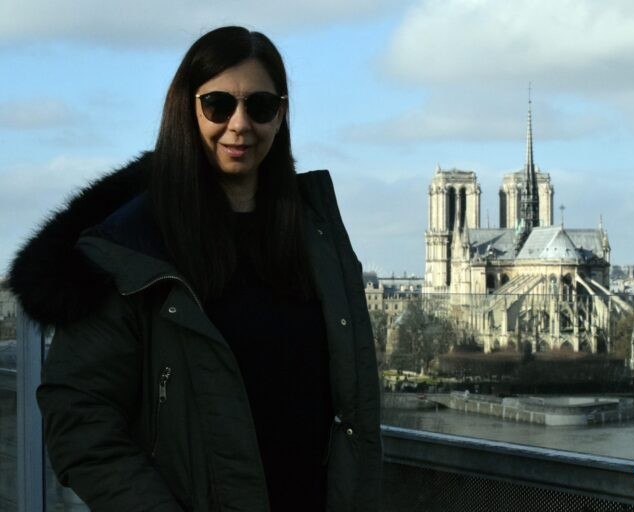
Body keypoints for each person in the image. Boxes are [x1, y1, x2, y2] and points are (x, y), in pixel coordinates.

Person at [9, 26, 381, 512]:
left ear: (282, 114)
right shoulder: (132, 247)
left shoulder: (317, 237)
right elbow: (78, 419)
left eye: (261, 106)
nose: (240, 124)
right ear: (187, 109)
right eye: (218, 105)